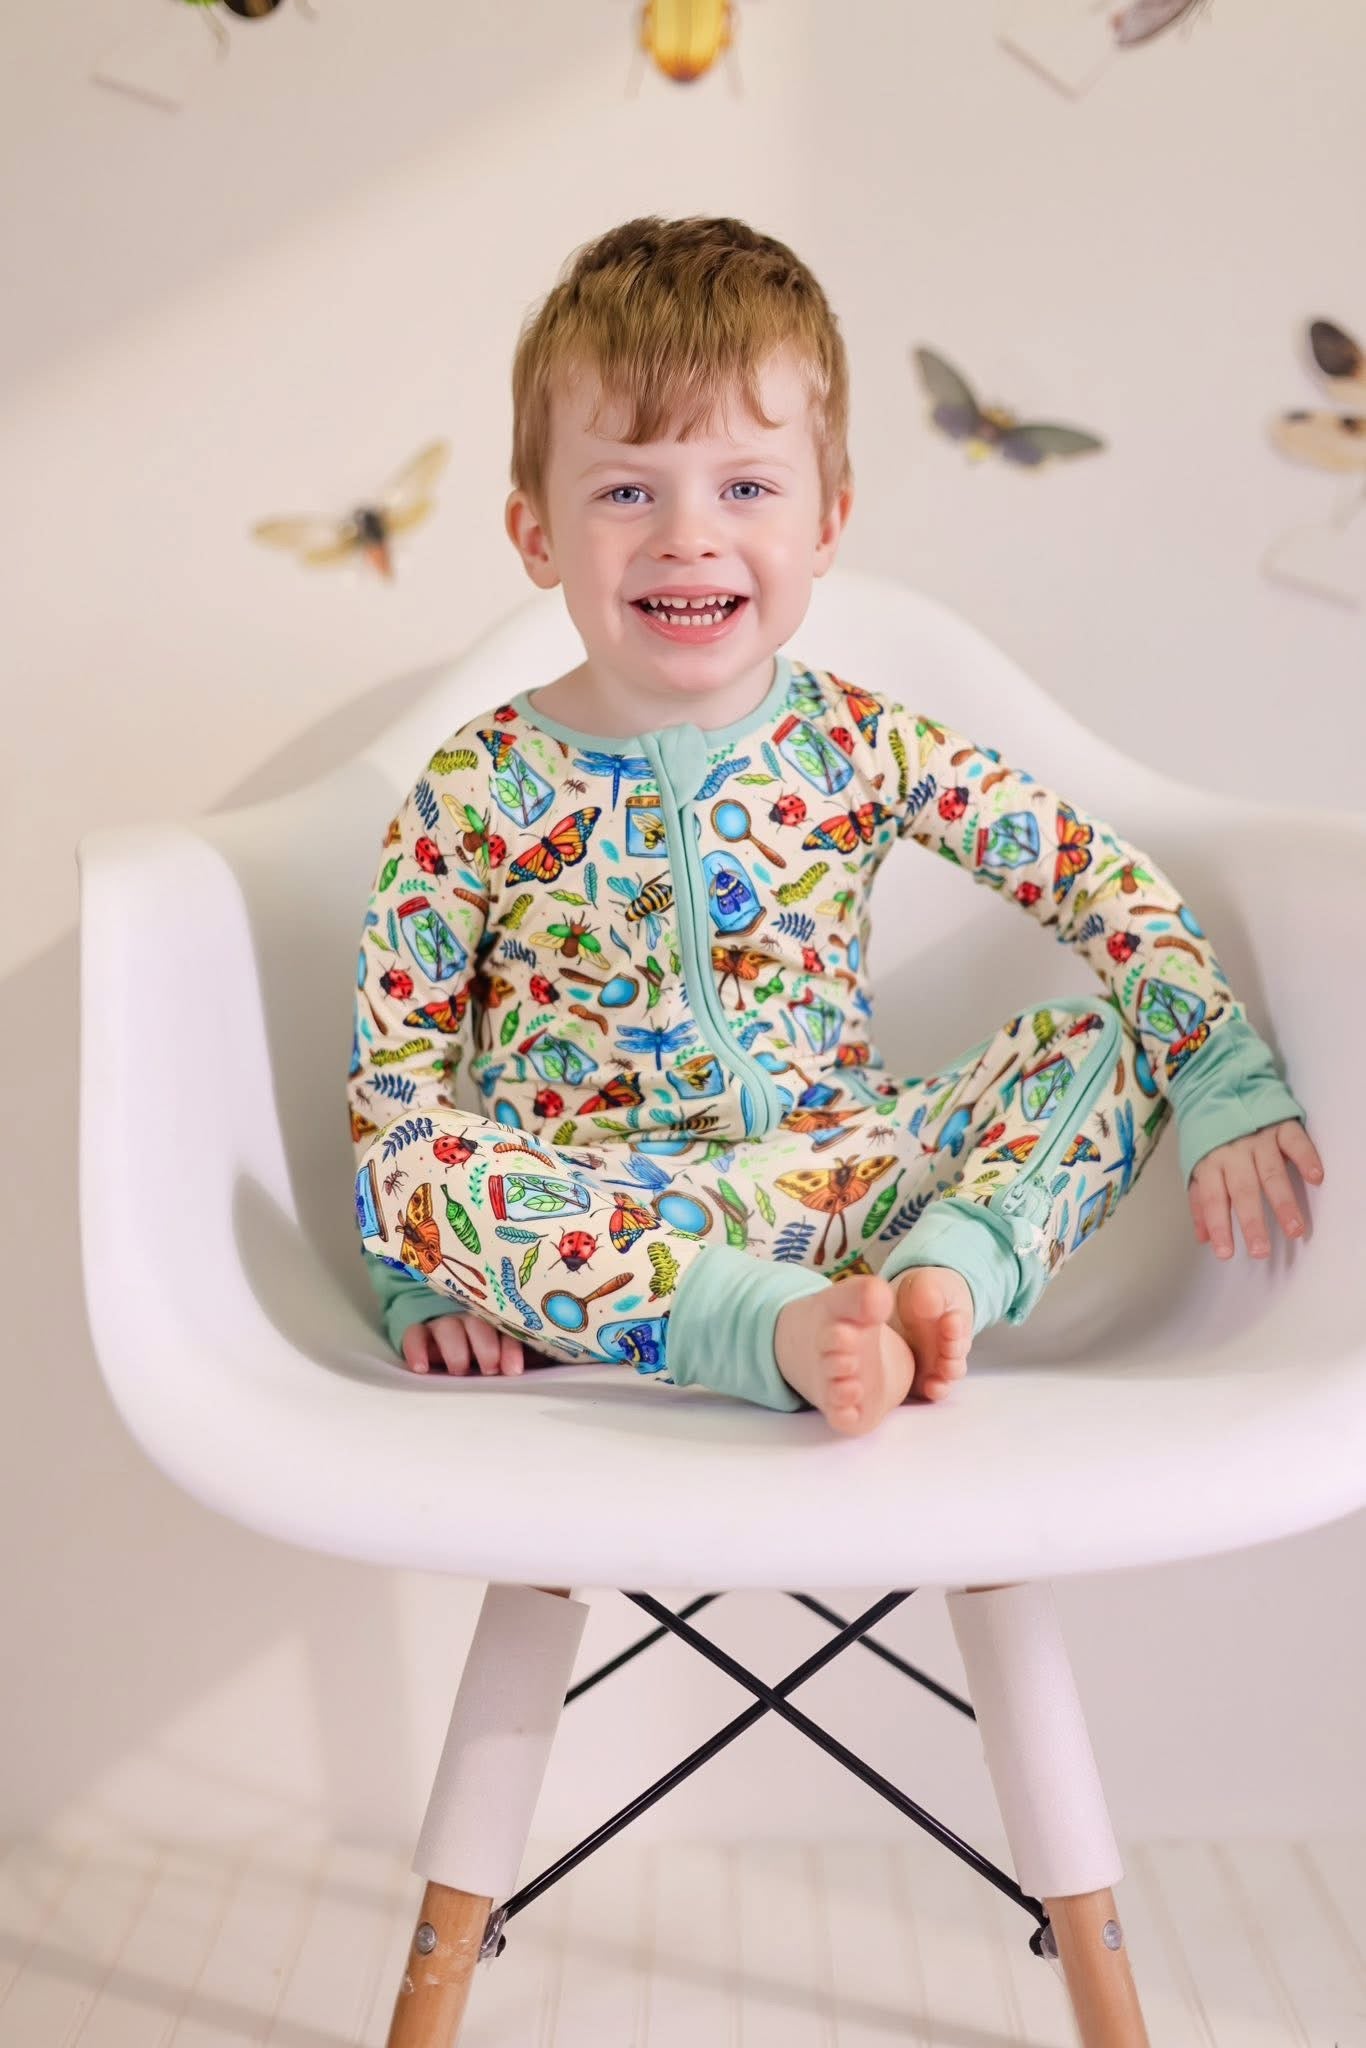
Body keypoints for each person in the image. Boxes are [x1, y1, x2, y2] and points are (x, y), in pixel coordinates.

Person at [346, 214, 1324, 1436]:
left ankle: (938, 1281)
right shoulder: (474, 784)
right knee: (408, 1162)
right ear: (536, 533)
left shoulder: (860, 745)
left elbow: (1084, 873)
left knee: (1116, 1039)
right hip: (606, 1232)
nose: (687, 533)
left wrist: (1220, 1070)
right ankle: (763, 1328)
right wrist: (422, 1277)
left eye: (745, 487)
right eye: (626, 490)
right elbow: (395, 1068)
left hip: (849, 1183)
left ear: (824, 526)